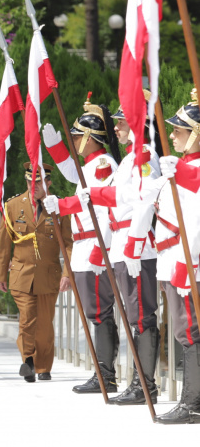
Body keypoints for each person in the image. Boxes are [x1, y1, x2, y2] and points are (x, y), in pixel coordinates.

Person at [64, 96, 163, 404]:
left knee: (142, 317)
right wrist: (86, 196)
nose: (116, 127)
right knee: (136, 316)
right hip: (122, 245)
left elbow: (142, 201)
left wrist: (131, 245)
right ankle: (138, 383)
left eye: (121, 121)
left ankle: (144, 385)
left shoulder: (144, 156)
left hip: (136, 246)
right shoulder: (132, 158)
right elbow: (118, 196)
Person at [128, 92, 200, 423]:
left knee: (191, 332)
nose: (171, 136)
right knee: (185, 332)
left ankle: (193, 403)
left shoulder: (194, 171)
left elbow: (196, 223)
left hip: (189, 264)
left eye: (179, 131)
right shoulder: (181, 168)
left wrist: (187, 264)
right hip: (173, 261)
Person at [44, 99, 122, 393]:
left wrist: (101, 251)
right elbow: (72, 173)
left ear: (91, 139)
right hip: (85, 247)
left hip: (94, 247)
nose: (75, 140)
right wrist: (55, 147)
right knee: (94, 311)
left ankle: (106, 374)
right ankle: (103, 372)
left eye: (78, 136)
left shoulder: (103, 164)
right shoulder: (92, 164)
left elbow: (104, 208)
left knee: (100, 311)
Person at [3, 164, 72, 382]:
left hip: (48, 275)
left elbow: (68, 244)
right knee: (26, 319)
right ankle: (28, 360)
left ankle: (43, 367)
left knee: (44, 325)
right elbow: (5, 244)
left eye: (39, 183)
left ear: (48, 182)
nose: (34, 187)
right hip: (21, 274)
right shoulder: (13, 205)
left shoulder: (59, 207)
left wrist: (67, 274)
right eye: (30, 182)